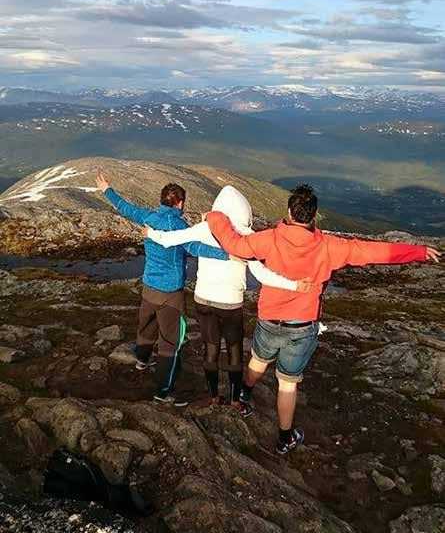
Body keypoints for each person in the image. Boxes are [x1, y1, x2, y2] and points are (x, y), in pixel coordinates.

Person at [203, 184, 441, 454]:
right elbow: (375, 253)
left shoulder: (269, 239)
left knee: (259, 358)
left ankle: (245, 393)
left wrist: (216, 217)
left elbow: (234, 244)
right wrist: (418, 252)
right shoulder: (329, 246)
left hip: (269, 318)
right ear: (313, 217)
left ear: (289, 212)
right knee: (288, 383)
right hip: (302, 326)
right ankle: (284, 438)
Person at [142, 185, 314, 417]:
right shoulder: (246, 236)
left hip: (203, 299)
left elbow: (172, 239)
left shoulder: (205, 227)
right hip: (230, 303)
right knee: (234, 350)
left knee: (210, 349)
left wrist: (151, 234)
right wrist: (295, 286)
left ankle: (214, 396)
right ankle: (235, 400)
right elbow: (262, 274)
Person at [96, 172, 232, 408]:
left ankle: (142, 359)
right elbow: (197, 248)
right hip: (171, 295)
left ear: (162, 201)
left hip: (149, 287)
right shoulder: (179, 227)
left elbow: (125, 207)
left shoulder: (149, 217)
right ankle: (162, 393)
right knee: (170, 343)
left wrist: (107, 190)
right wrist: (228, 253)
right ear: (180, 203)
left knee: (147, 326)